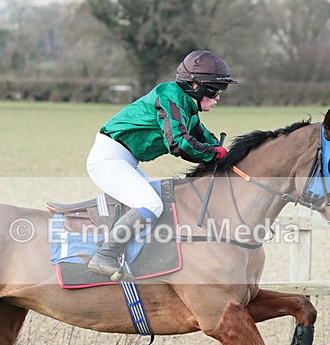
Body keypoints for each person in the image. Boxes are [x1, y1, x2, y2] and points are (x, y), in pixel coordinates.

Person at [86, 49, 237, 277]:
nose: (217, 98)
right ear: (195, 86)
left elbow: (204, 138)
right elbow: (178, 143)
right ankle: (104, 256)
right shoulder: (168, 97)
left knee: (162, 203)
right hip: (108, 159)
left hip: (125, 160)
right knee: (152, 204)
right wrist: (214, 154)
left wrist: (224, 155)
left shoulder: (188, 108)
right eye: (214, 92)